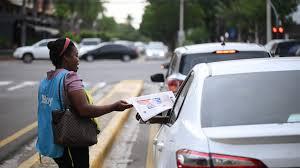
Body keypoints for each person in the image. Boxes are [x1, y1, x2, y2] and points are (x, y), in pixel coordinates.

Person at [36, 37, 133, 168]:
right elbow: (84, 110)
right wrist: (114, 106)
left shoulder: (47, 79)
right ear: (65, 57)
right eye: (76, 55)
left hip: (51, 138)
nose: (78, 59)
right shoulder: (70, 77)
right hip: (71, 138)